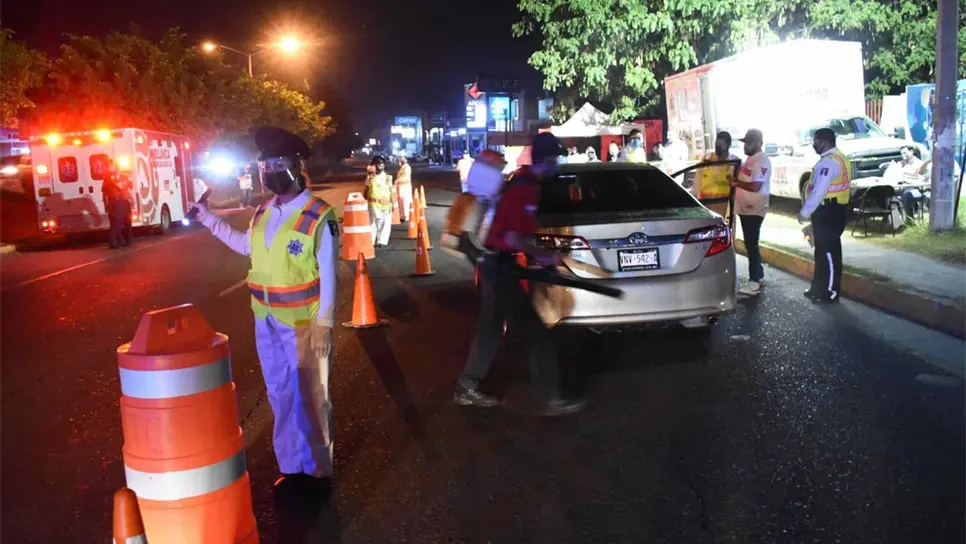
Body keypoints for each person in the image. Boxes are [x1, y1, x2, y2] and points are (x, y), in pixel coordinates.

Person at [189, 127, 338, 495]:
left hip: (305, 323)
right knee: (280, 394)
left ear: (296, 167)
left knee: (312, 399)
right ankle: (292, 467)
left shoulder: (319, 214)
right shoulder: (263, 211)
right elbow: (246, 247)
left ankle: (317, 471)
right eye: (265, 165)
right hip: (267, 321)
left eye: (277, 164)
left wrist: (325, 324)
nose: (269, 171)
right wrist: (207, 217)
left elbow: (331, 274)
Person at [455, 132, 583, 417]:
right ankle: (553, 398)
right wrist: (543, 255)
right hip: (500, 266)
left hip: (495, 264)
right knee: (537, 333)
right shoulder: (524, 188)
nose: (558, 163)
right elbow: (512, 237)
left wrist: (539, 254)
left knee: (489, 329)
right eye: (556, 158)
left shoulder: (525, 184)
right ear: (547, 159)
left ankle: (467, 385)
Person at [798, 127, 851, 304]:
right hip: (829, 210)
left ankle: (830, 291)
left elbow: (819, 191)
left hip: (829, 211)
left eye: (815, 142)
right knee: (821, 252)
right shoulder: (833, 158)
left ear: (825, 142)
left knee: (829, 254)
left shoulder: (829, 162)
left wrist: (805, 212)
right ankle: (817, 288)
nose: (813, 145)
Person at [731, 129, 772, 297]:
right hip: (745, 208)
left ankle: (754, 281)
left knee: (751, 244)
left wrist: (736, 183)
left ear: (758, 143)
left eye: (748, 143)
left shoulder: (762, 160)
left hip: (754, 209)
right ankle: (759, 275)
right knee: (750, 243)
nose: (745, 146)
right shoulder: (750, 160)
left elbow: (756, 186)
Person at [691, 131, 737, 219]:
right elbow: (697, 180)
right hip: (706, 204)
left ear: (728, 145)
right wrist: (694, 198)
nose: (717, 147)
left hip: (726, 204)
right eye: (717, 143)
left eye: (721, 144)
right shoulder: (707, 159)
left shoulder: (734, 162)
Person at [364, 156, 394, 247]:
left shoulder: (388, 177)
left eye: (381, 164)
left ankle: (382, 241)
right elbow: (366, 189)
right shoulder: (370, 177)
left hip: (386, 204)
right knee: (373, 223)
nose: (380, 166)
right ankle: (371, 241)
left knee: (385, 223)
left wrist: (392, 204)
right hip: (373, 204)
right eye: (378, 164)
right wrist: (364, 201)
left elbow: (390, 191)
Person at [102, 161, 133, 249]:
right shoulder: (109, 177)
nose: (110, 168)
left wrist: (132, 199)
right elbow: (106, 191)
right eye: (110, 166)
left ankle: (124, 240)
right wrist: (105, 204)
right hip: (116, 202)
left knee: (125, 222)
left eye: (111, 166)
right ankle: (114, 242)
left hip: (123, 201)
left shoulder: (123, 176)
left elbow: (127, 189)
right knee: (117, 223)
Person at [395, 155, 414, 222]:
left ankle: (406, 216)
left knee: (405, 202)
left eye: (398, 161)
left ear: (401, 161)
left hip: (405, 187)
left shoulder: (407, 167)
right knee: (401, 201)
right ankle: (402, 215)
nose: (398, 163)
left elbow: (403, 177)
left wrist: (396, 181)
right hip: (401, 187)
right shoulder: (402, 167)